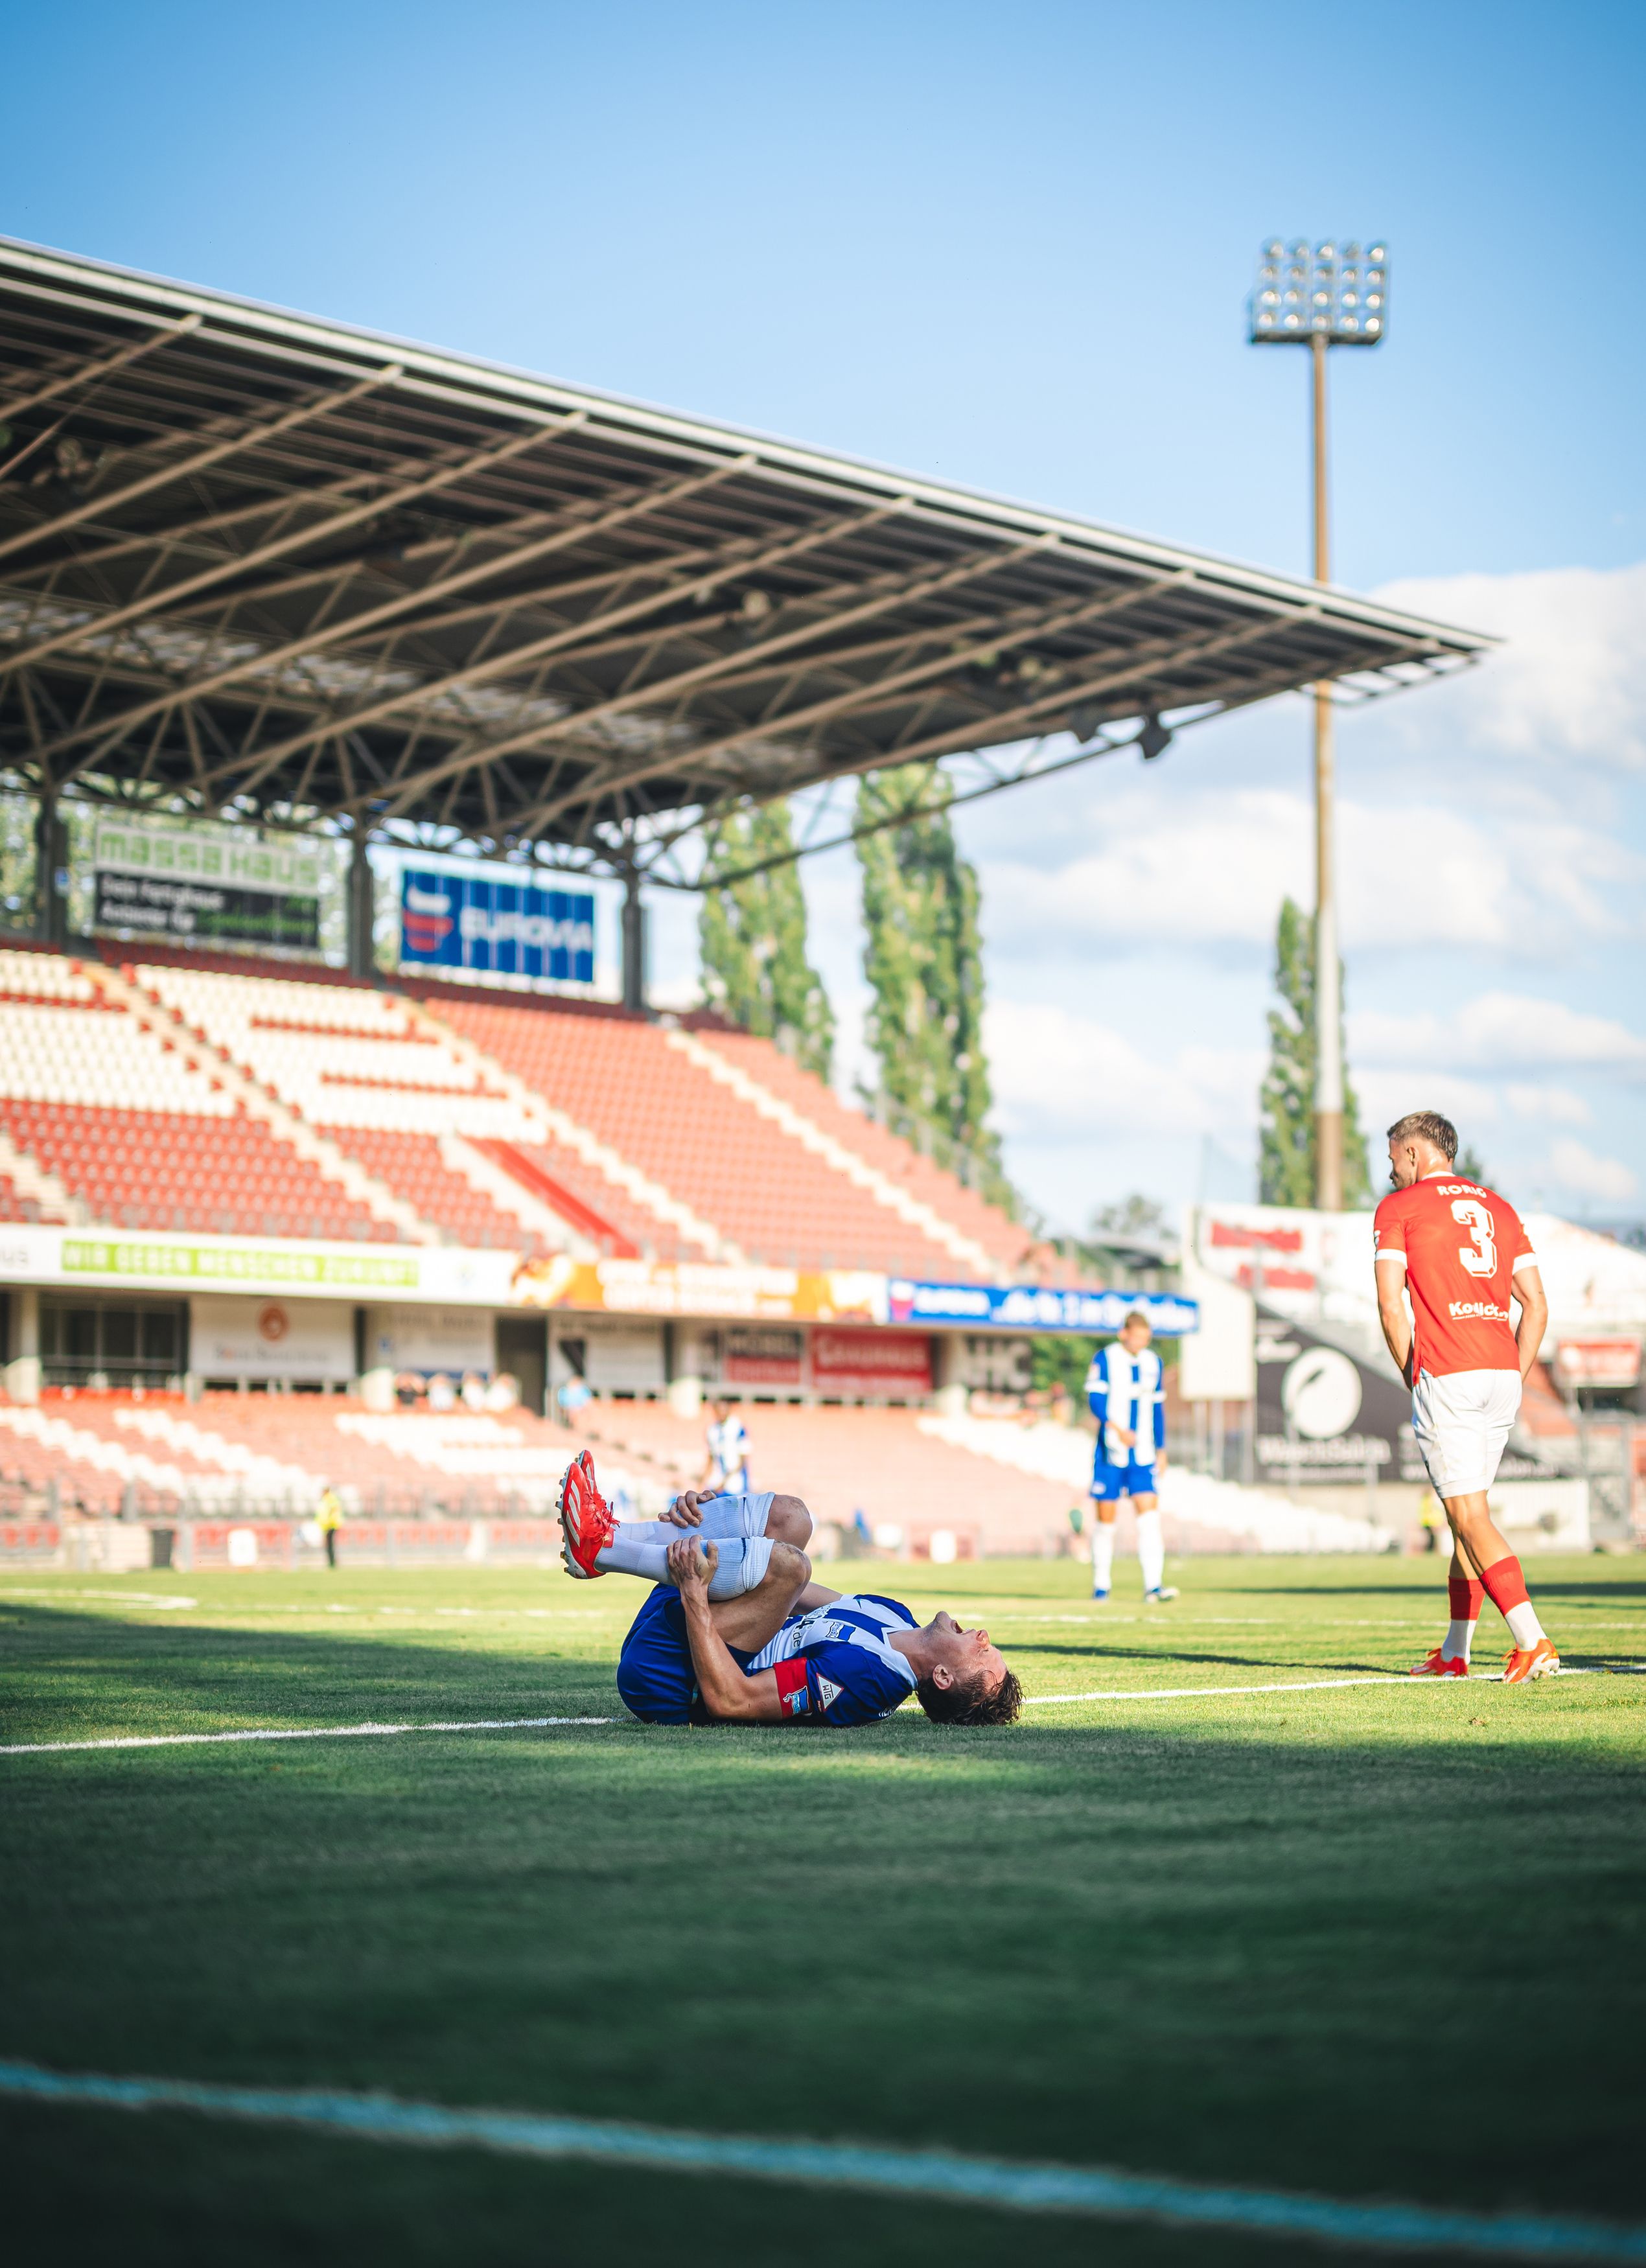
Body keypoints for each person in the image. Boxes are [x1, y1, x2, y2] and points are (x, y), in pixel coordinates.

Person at [557, 1450, 1021, 1728]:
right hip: (690, 1622)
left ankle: (604, 1550)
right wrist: (718, 1525)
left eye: (983, 1656)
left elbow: (732, 1700)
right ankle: (615, 1537)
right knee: (793, 1520)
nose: (984, 1637)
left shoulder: (870, 1682)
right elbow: (788, 1590)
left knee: (791, 1565)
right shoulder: (894, 1613)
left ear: (942, 1678)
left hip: (671, 1677)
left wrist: (696, 1594)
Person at [1374, 1111, 1557, 1684]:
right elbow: (1537, 1305)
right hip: (1501, 1373)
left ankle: (1533, 1641)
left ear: (1413, 1153)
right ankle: (1456, 1651)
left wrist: (1415, 1374)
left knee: (1468, 1515)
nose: (1390, 1172)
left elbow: (1390, 1305)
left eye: (1392, 1159)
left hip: (1449, 1373)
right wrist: (1515, 1374)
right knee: (1466, 1518)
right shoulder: (1499, 1207)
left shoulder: (1399, 1208)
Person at [1085, 1312, 1177, 1603]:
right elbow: (1095, 1400)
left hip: (1144, 1454)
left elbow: (1158, 1409)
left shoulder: (1153, 1362)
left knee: (1149, 1518)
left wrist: (1161, 1449)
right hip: (1111, 1451)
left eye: (1145, 1338)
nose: (1141, 1343)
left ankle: (1154, 1586)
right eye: (1136, 1337)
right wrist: (1116, 1429)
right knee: (1106, 1520)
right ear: (1124, 1333)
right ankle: (1101, 1585)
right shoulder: (1105, 1358)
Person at [700, 1396, 751, 1494]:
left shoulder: (738, 1427)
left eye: (724, 1409)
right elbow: (711, 1457)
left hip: (735, 1483)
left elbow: (743, 1458)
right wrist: (703, 1479)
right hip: (716, 1481)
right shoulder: (712, 1430)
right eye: (719, 1410)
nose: (721, 1413)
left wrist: (725, 1481)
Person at [316, 1482, 343, 1569]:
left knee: (330, 1545)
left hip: (331, 1525)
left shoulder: (330, 1498)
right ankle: (332, 1562)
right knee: (329, 1544)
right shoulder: (326, 1499)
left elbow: (332, 1510)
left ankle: (332, 1563)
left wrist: (328, 1523)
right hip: (327, 1525)